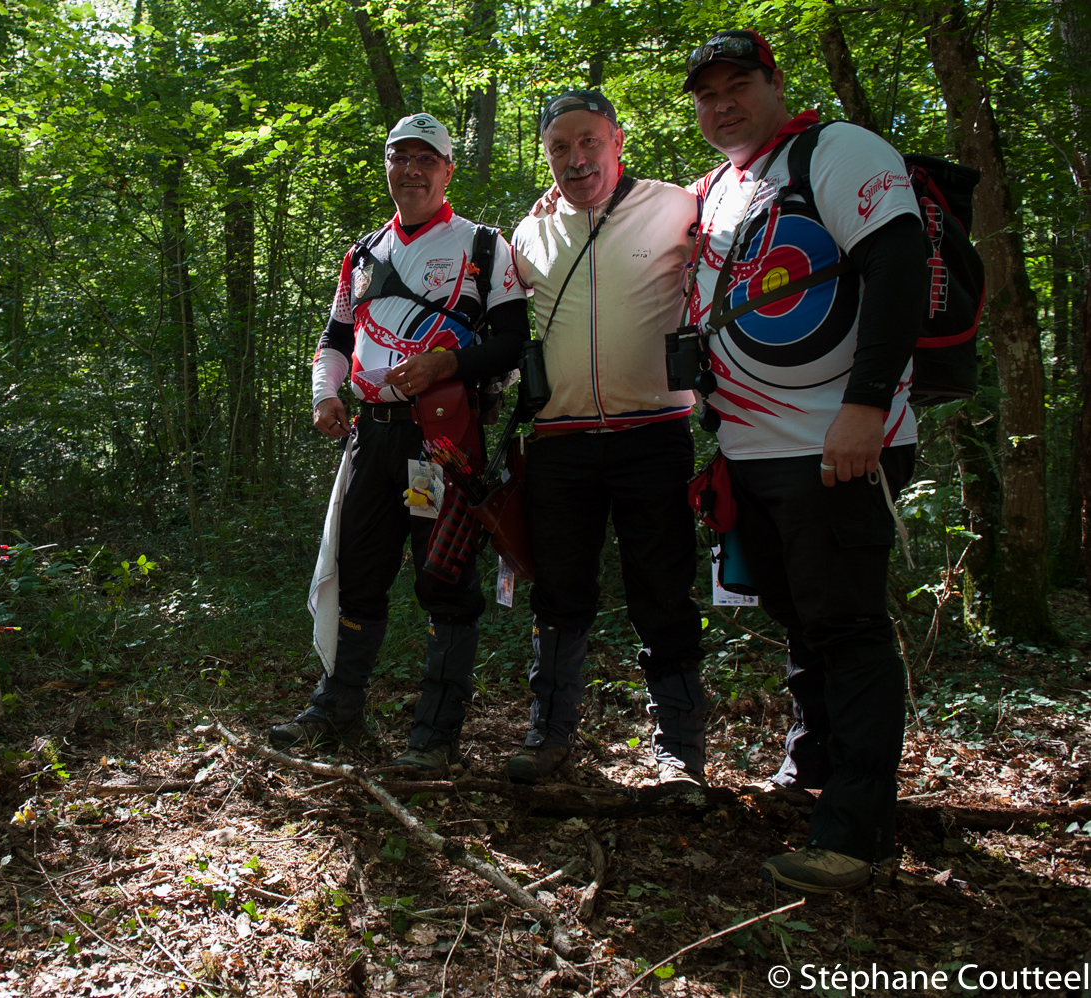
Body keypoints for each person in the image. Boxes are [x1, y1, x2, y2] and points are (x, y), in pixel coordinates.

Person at [683, 30, 929, 893]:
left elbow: (898, 266)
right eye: (707, 95)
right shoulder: (717, 189)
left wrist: (866, 407)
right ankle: (815, 764)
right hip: (748, 455)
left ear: (775, 83)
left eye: (738, 86)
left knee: (847, 626)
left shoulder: (838, 150)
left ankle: (856, 833)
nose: (723, 105)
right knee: (799, 616)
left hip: (835, 444)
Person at [270, 113, 530, 774]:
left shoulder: (482, 247)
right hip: (372, 437)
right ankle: (336, 709)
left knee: (445, 581)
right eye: (399, 157)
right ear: (387, 166)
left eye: (426, 159)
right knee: (358, 575)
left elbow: (512, 341)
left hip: (440, 441)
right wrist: (324, 395)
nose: (411, 170)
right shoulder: (362, 254)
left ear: (447, 170)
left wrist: (449, 364)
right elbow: (335, 337)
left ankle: (435, 735)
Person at [506, 90, 707, 786]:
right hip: (559, 443)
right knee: (559, 592)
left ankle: (680, 748)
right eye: (559, 148)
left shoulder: (678, 206)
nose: (576, 158)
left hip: (654, 433)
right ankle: (550, 733)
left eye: (589, 141)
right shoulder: (530, 232)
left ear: (618, 141)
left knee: (664, 588)